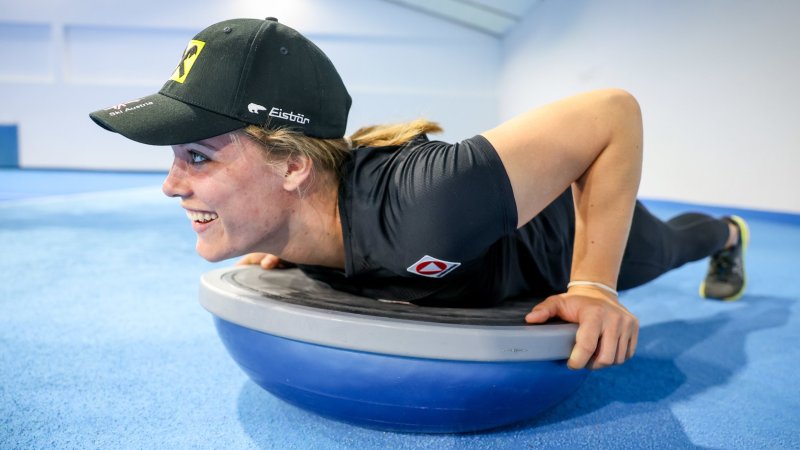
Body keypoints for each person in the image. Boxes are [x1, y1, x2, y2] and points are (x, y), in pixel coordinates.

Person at [90, 17, 748, 371]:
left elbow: (613, 111)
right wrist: (287, 246)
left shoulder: (427, 209)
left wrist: (594, 287)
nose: (172, 185)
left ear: (292, 168)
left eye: (197, 157)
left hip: (562, 235)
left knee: (678, 244)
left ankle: (727, 235)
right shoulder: (306, 222)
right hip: (476, 240)